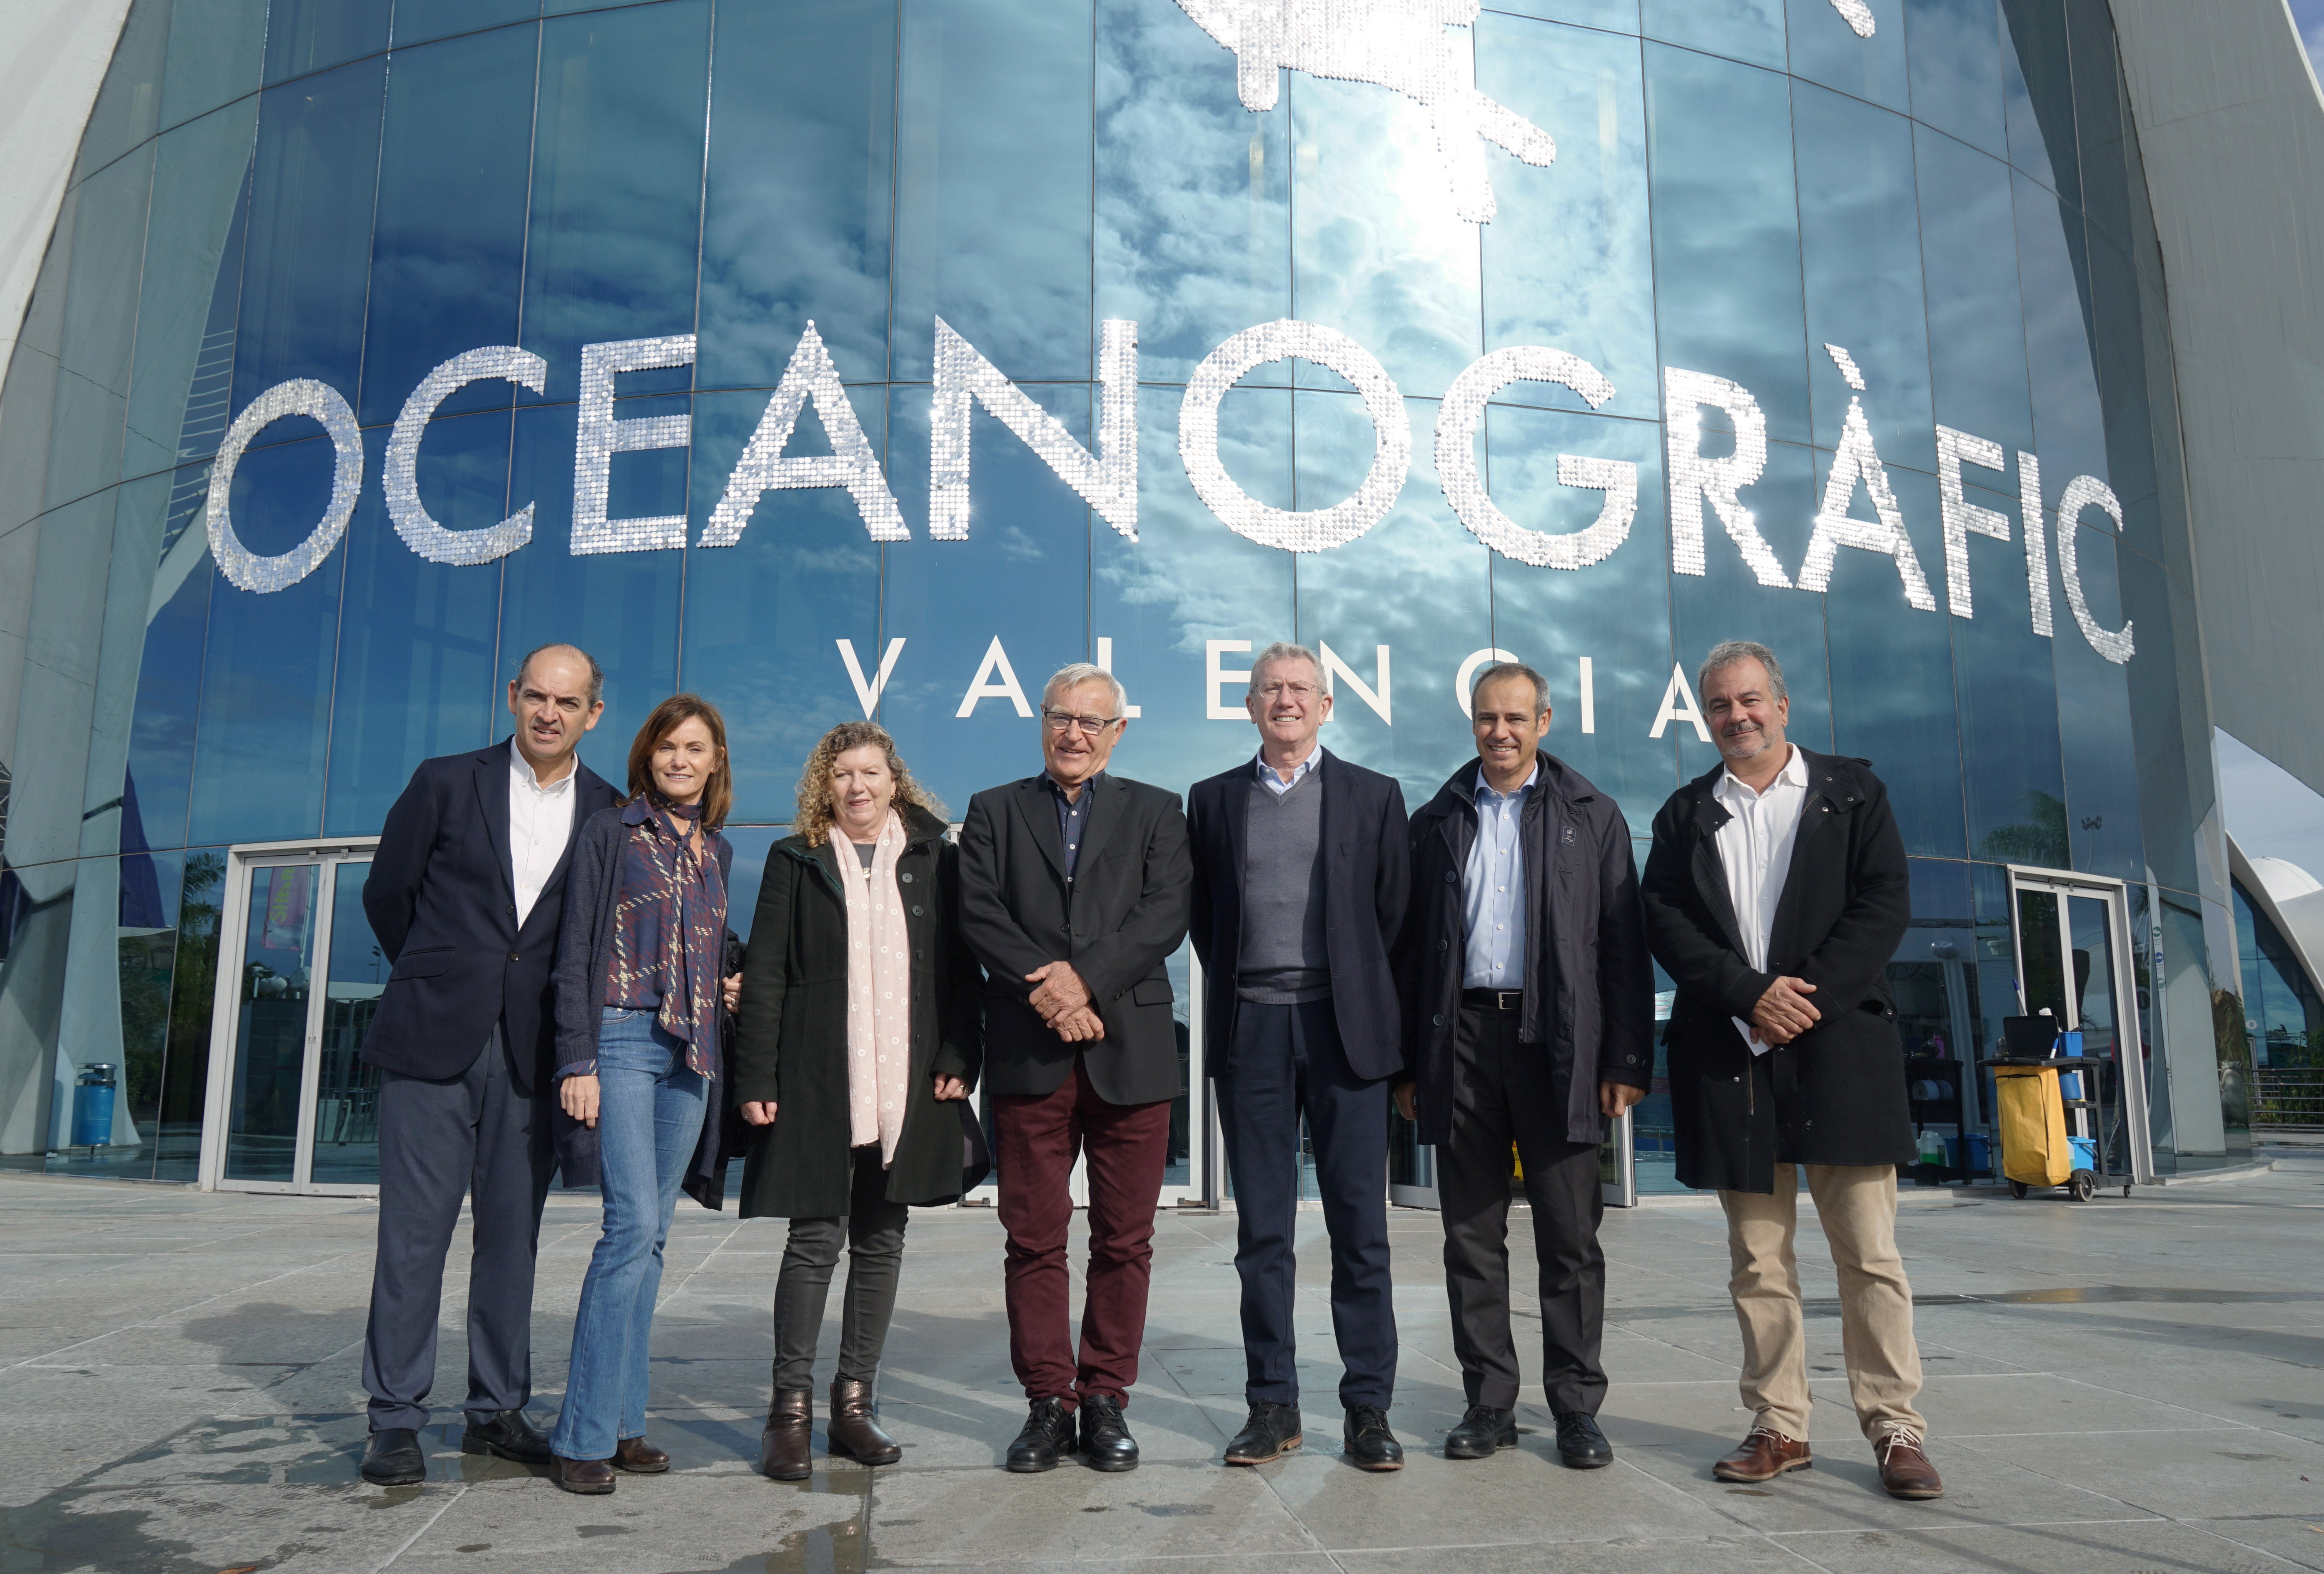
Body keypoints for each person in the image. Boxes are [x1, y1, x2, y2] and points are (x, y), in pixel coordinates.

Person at [1639, 640, 1942, 1500]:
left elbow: (1883, 903)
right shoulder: (1686, 813)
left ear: (1781, 704)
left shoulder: (1853, 793)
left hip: (1840, 1049)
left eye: (1749, 700)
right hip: (1735, 1057)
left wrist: (1804, 1001)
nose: (1736, 717)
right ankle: (1780, 1424)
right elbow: (1664, 920)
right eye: (1719, 706)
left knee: (1869, 1256)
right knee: (1759, 1261)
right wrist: (1749, 995)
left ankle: (1896, 1428)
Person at [355, 644, 620, 1487]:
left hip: (535, 1053)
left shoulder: (610, 812)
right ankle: (395, 1418)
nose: (549, 713)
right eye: (536, 696)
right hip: (432, 1038)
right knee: (413, 1239)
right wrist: (440, 973)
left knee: (512, 1239)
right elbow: (387, 894)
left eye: (567, 703)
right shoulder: (444, 781)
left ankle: (497, 1410)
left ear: (593, 715)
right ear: (513, 697)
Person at [1396, 661, 1653, 1469]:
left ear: (1544, 722)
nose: (1499, 732)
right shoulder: (1436, 819)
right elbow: (1410, 952)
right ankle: (1490, 1403)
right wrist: (1409, 1066)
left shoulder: (1592, 815)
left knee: (1570, 1235)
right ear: (1472, 723)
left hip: (1559, 1043)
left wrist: (1625, 1057)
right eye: (1486, 718)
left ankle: (1576, 1408)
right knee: (1470, 1235)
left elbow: (1623, 946)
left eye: (1515, 718)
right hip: (1462, 1041)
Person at [958, 662, 1193, 1474]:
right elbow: (979, 913)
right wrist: (1053, 994)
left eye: (1093, 721)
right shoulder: (993, 810)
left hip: (1133, 1052)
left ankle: (1104, 1398)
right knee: (1033, 1237)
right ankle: (1047, 1403)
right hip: (1030, 1053)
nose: (1075, 733)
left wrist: (1082, 983)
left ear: (1117, 732)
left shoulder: (1158, 811)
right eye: (1062, 716)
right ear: (1042, 721)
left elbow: (1165, 913)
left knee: (1125, 1240)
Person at [735, 722, 984, 1482]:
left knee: (882, 1239)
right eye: (842, 773)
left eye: (870, 772)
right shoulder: (796, 859)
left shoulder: (935, 858)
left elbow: (961, 968)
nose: (857, 786)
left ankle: (853, 1405)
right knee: (815, 1239)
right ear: (826, 783)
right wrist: (757, 1077)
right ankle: (789, 1413)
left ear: (893, 781)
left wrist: (961, 1054)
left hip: (908, 1079)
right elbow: (767, 973)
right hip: (817, 1078)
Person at [1184, 642, 1409, 1471]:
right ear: (1250, 706)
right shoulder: (1212, 800)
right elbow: (1206, 918)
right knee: (1263, 1234)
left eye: (1300, 689)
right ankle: (1272, 1406)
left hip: (1345, 1033)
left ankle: (1368, 1411)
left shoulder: (1374, 796)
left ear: (1325, 706)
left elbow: (1393, 916)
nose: (1285, 700)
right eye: (1270, 689)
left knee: (1361, 1230)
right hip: (1253, 1031)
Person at [545, 695, 742, 1494]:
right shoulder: (612, 832)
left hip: (692, 1055)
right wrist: (576, 1060)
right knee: (627, 1229)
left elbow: (703, 945)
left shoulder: (717, 849)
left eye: (695, 748)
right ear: (648, 757)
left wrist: (723, 984)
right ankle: (581, 1436)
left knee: (655, 1236)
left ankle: (626, 1424)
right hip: (622, 1038)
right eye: (668, 748)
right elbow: (575, 947)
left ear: (716, 761)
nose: (680, 760)